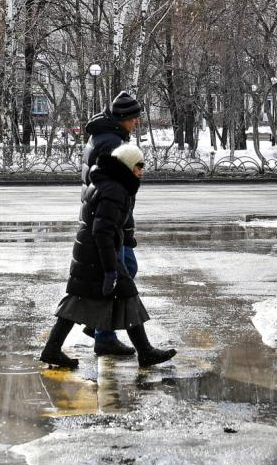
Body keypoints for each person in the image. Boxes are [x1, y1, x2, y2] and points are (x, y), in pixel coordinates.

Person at [39, 142, 176, 370]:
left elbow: (108, 225)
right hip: (98, 255)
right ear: (126, 165)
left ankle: (52, 348)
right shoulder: (115, 189)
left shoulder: (107, 183)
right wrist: (111, 269)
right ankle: (145, 352)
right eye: (138, 166)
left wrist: (124, 238)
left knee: (86, 299)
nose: (141, 171)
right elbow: (102, 232)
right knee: (117, 296)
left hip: (91, 252)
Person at [79, 91, 142, 356]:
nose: (136, 122)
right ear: (123, 118)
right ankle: (103, 333)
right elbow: (115, 187)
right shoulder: (111, 143)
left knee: (120, 271)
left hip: (104, 217)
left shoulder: (103, 135)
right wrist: (122, 227)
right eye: (134, 118)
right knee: (121, 273)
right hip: (109, 220)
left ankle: (98, 325)